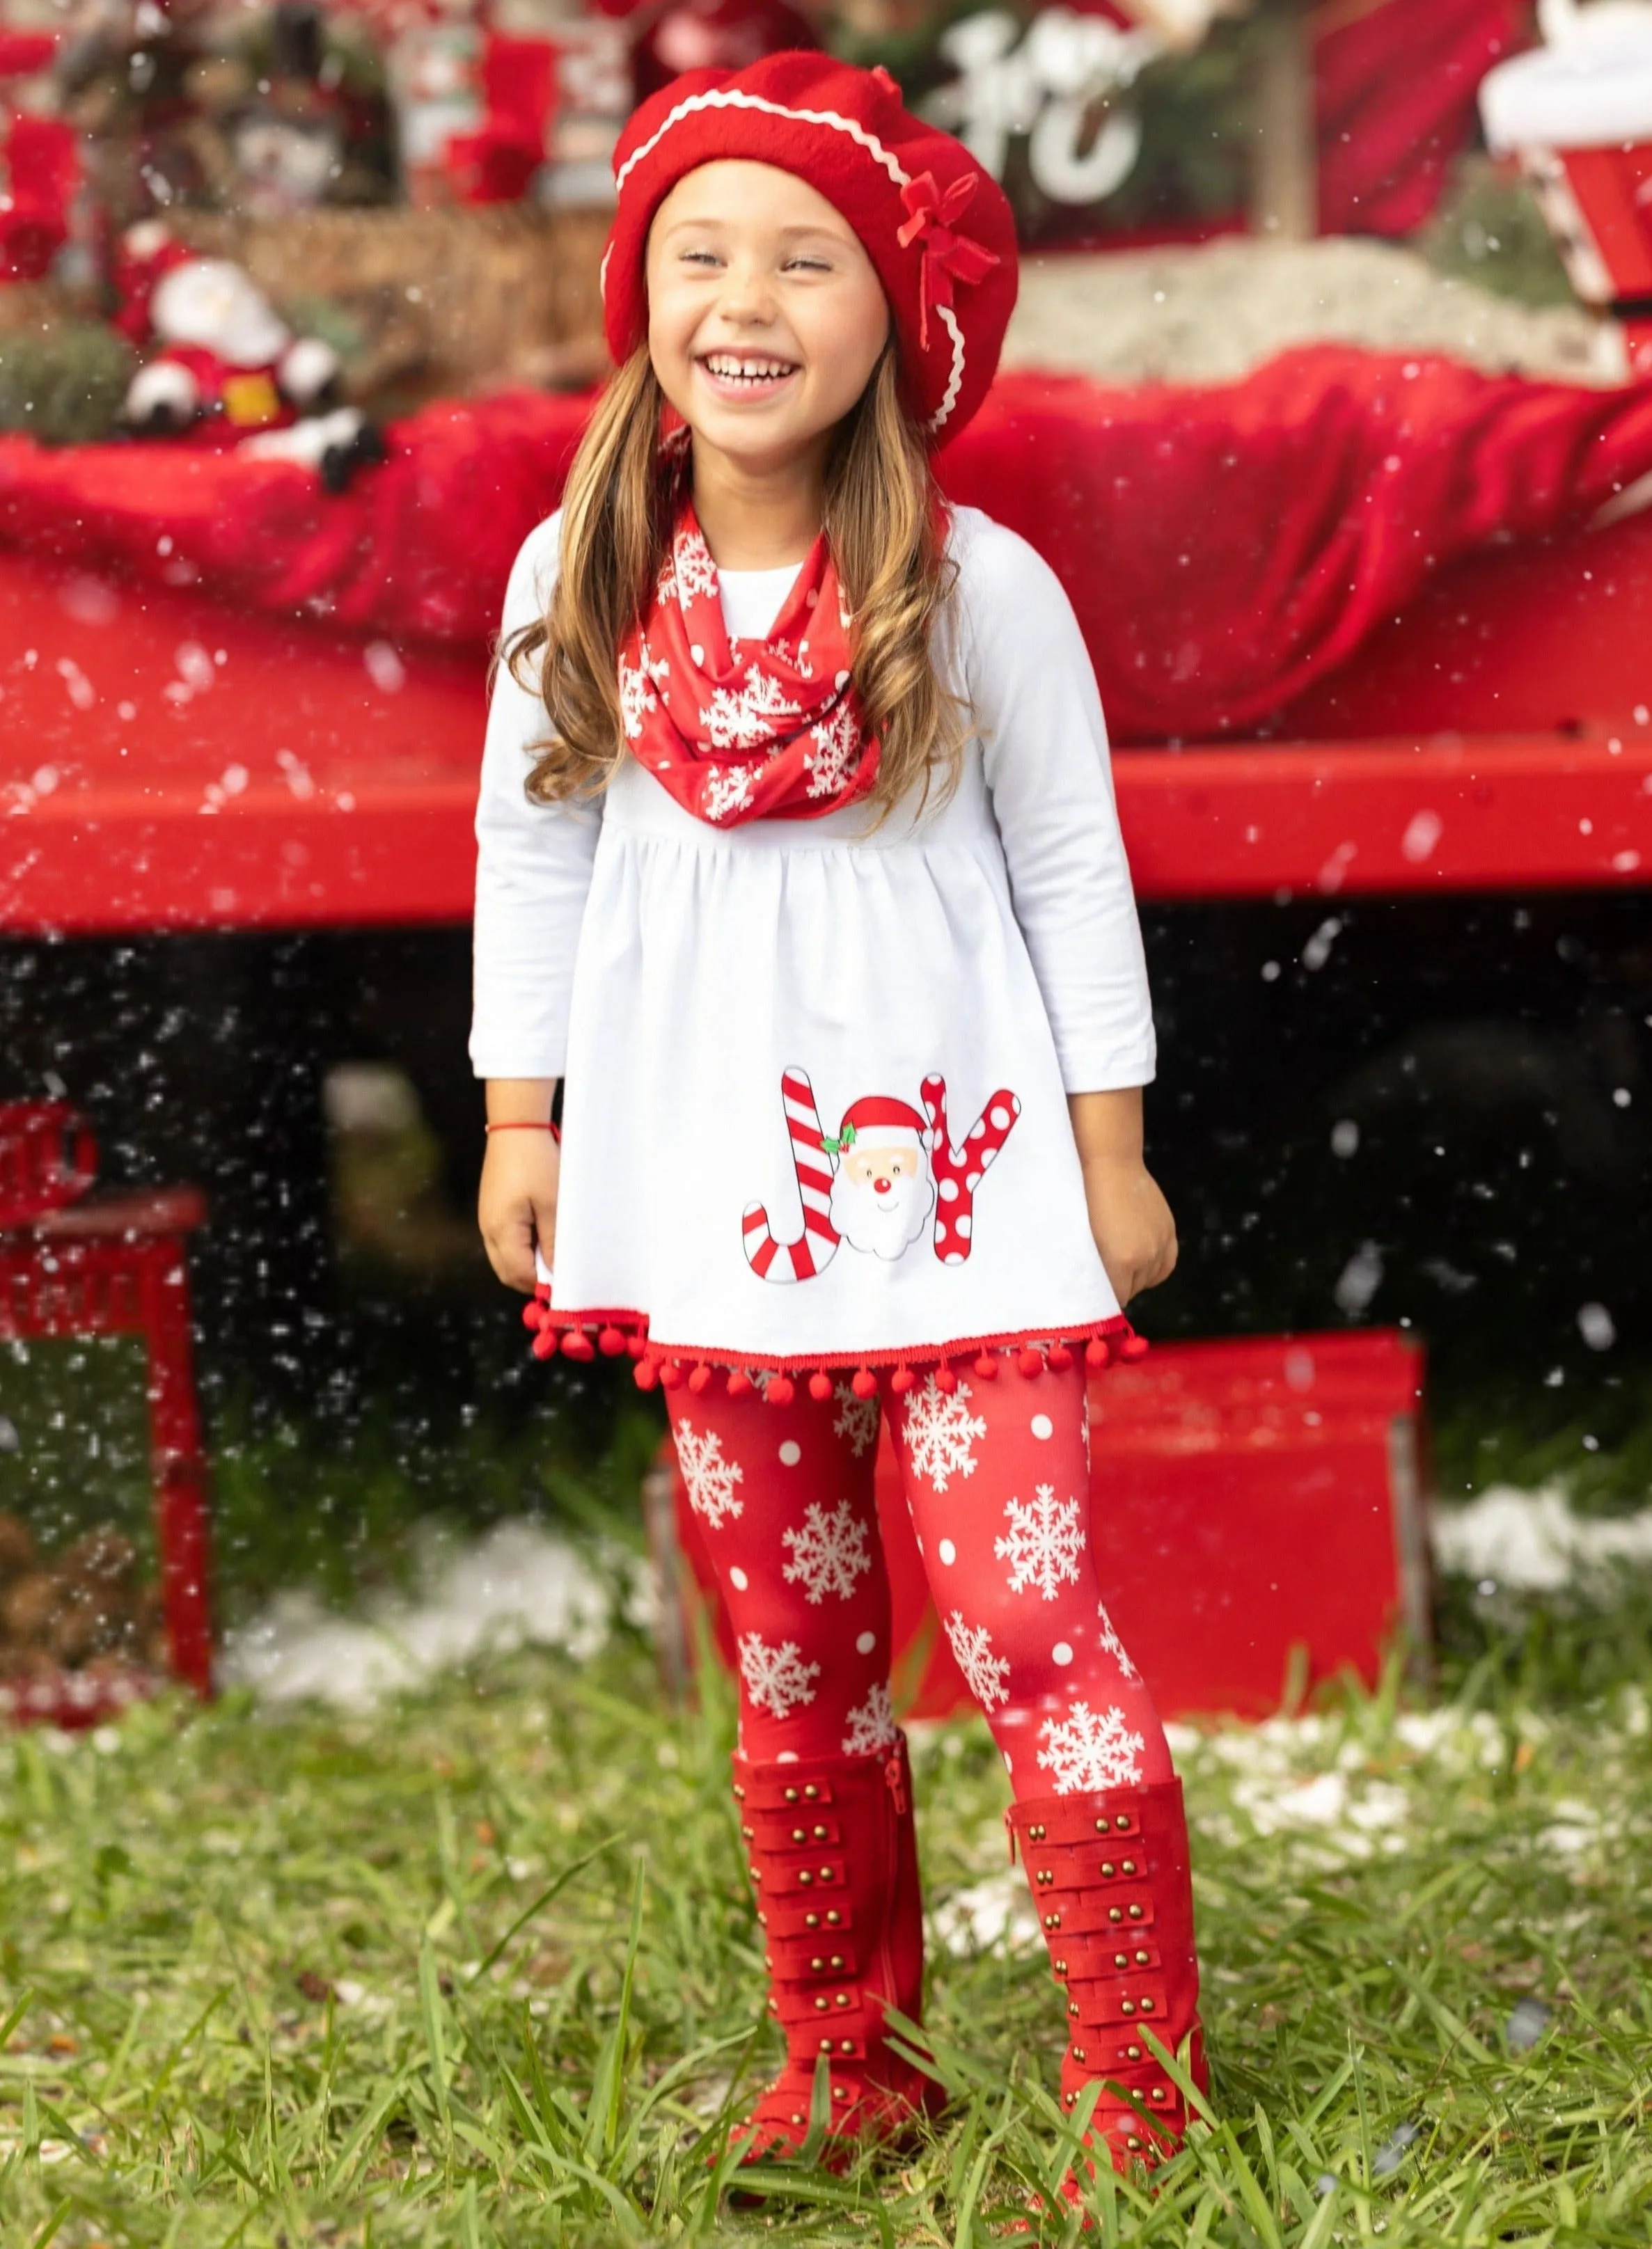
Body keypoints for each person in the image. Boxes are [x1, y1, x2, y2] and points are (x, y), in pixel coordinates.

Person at [470, 51, 1206, 2186]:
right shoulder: (582, 574)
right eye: (699, 254)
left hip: (968, 1214)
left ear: (893, 314)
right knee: (792, 1643)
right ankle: (847, 2049)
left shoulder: (980, 592)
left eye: (804, 258)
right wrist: (526, 1122)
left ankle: (1131, 2083)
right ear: (642, 298)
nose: (745, 298)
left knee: (1022, 1614)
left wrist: (1107, 1147)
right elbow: (531, 859)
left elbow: (1071, 870)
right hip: (713, 1206)